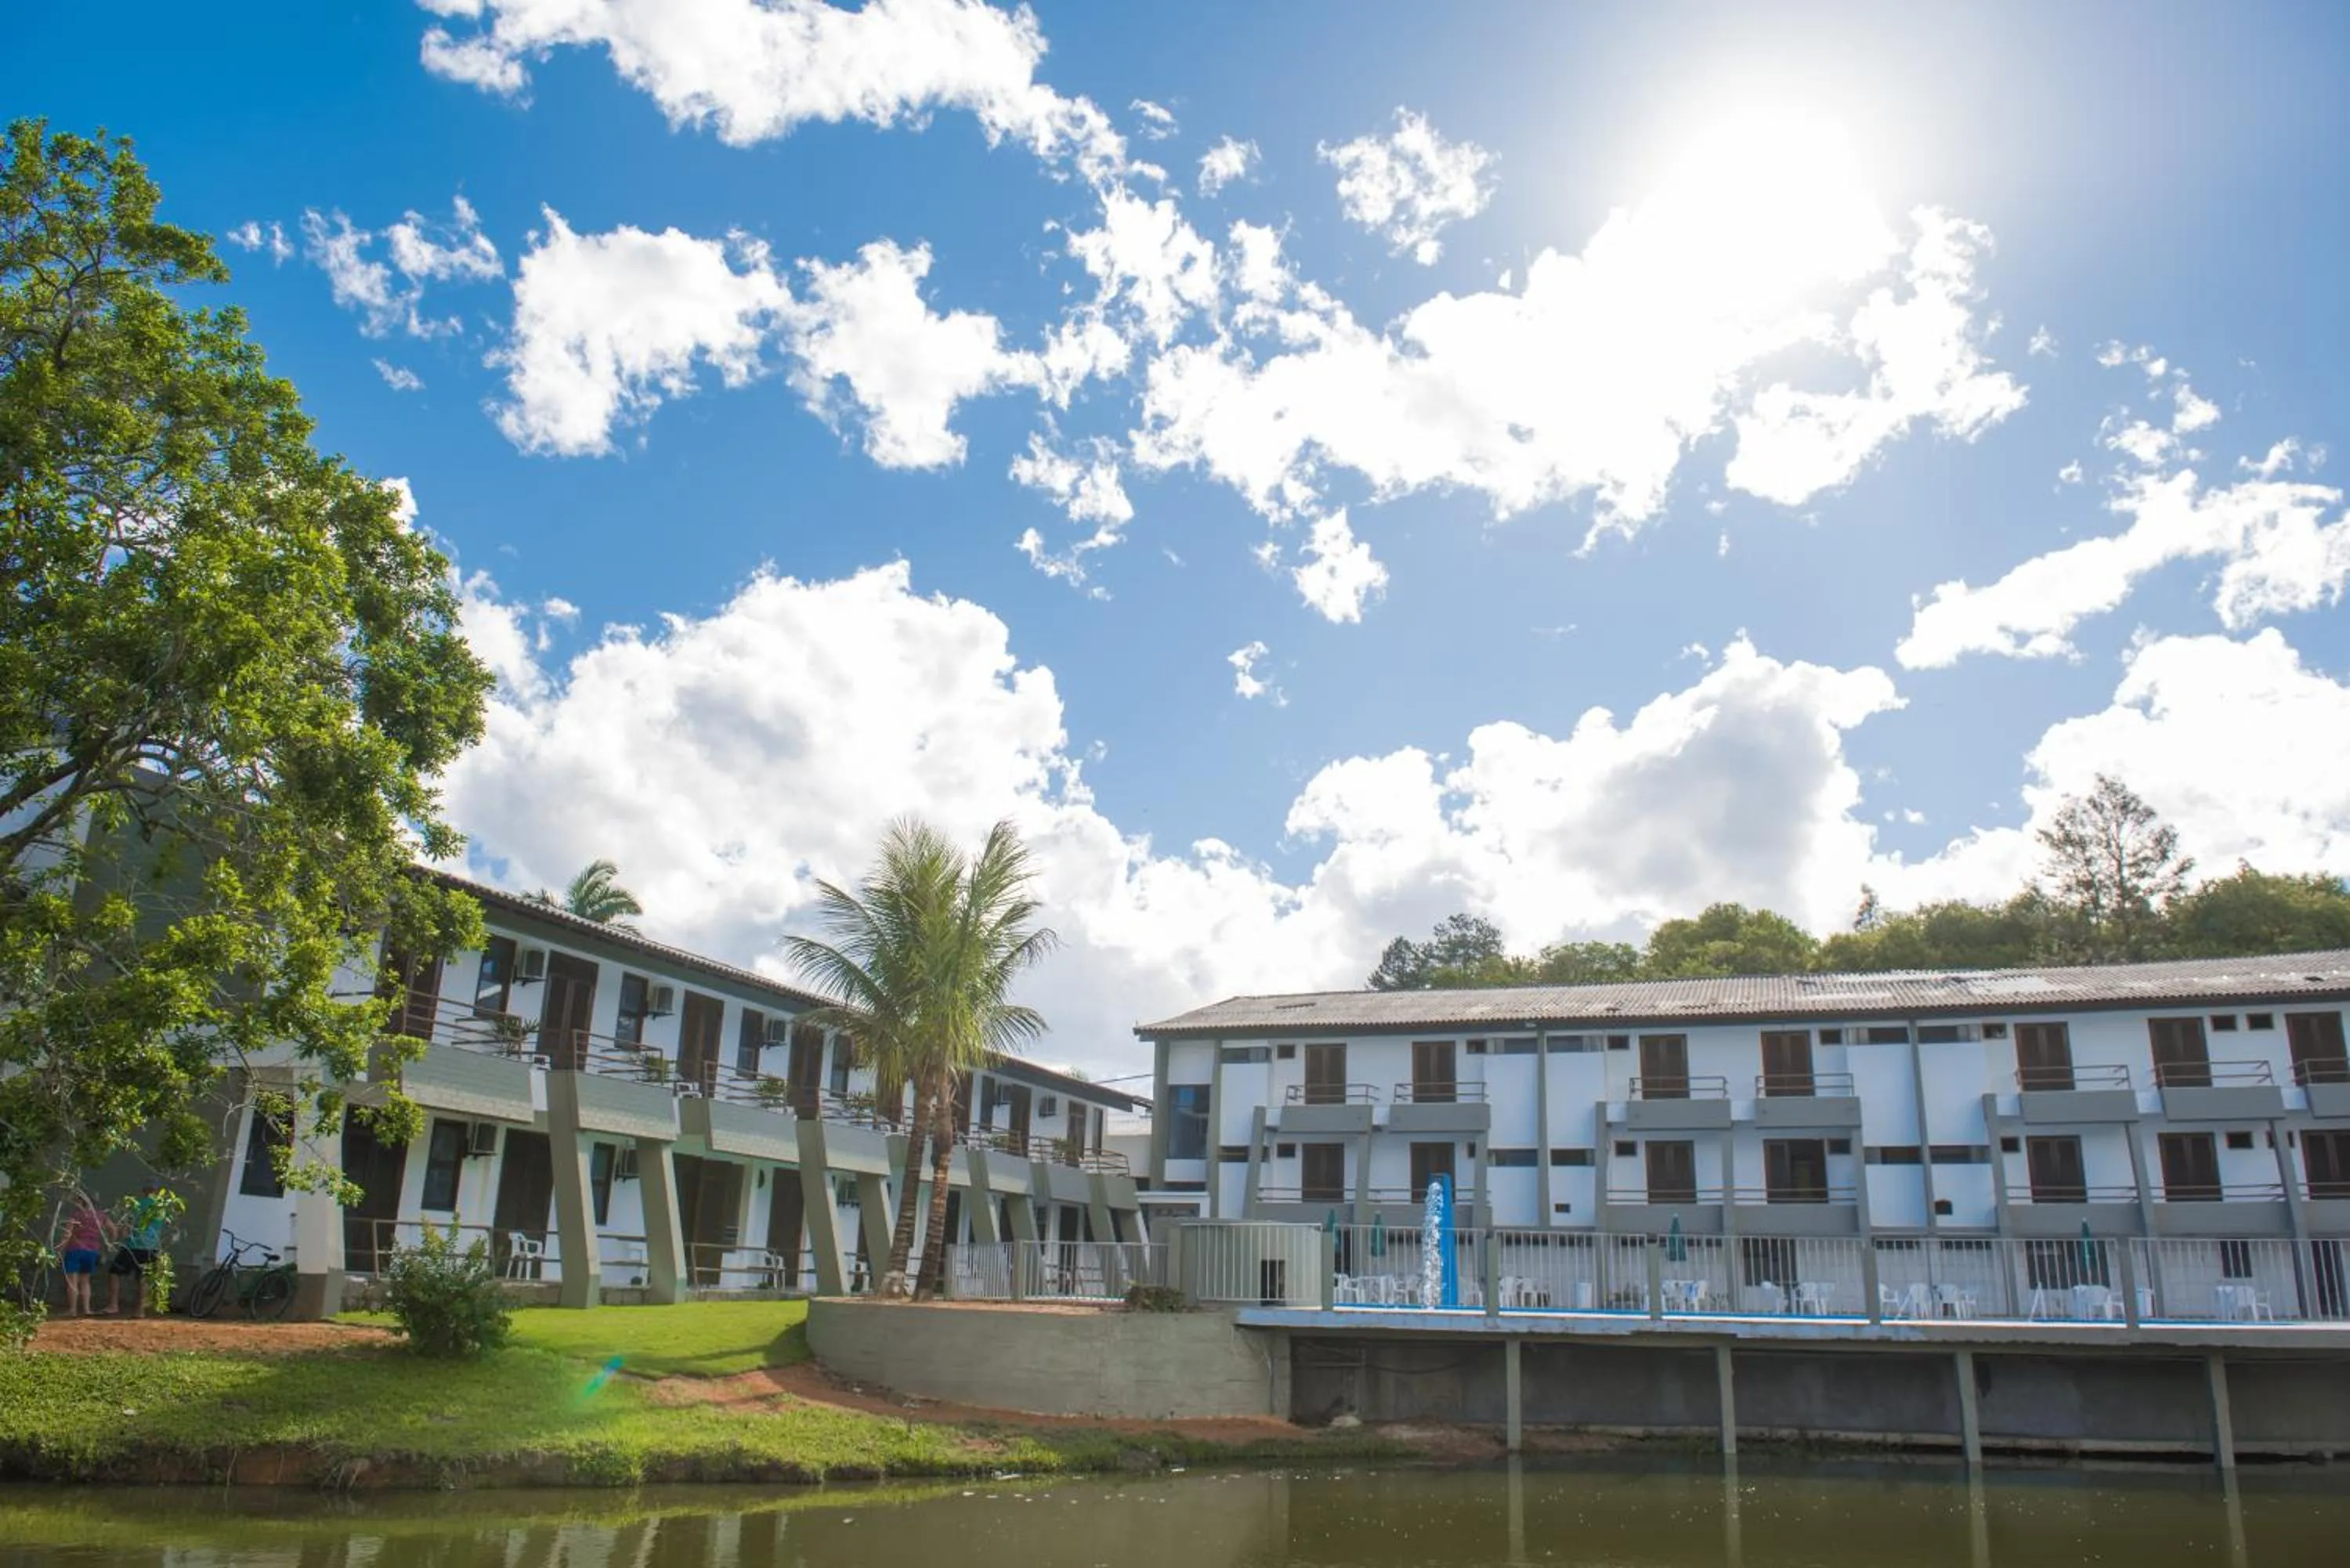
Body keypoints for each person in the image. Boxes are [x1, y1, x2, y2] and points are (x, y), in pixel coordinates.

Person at [106, 1183, 168, 1317]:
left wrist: (121, 1233)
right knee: (144, 1278)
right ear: (157, 1191)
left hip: (134, 1246)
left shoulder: (137, 1205)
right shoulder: (161, 1209)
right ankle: (140, 1311)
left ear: (144, 1190)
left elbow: (126, 1229)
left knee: (114, 1273)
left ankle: (113, 1305)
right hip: (152, 1247)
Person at [59, 1196, 110, 1317]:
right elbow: (113, 1230)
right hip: (92, 1251)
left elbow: (67, 1234)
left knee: (72, 1282)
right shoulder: (101, 1216)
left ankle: (73, 1310)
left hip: (75, 1249)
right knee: (86, 1281)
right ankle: (87, 1309)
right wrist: (106, 1247)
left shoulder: (76, 1215)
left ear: (82, 1202)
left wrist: (60, 1250)